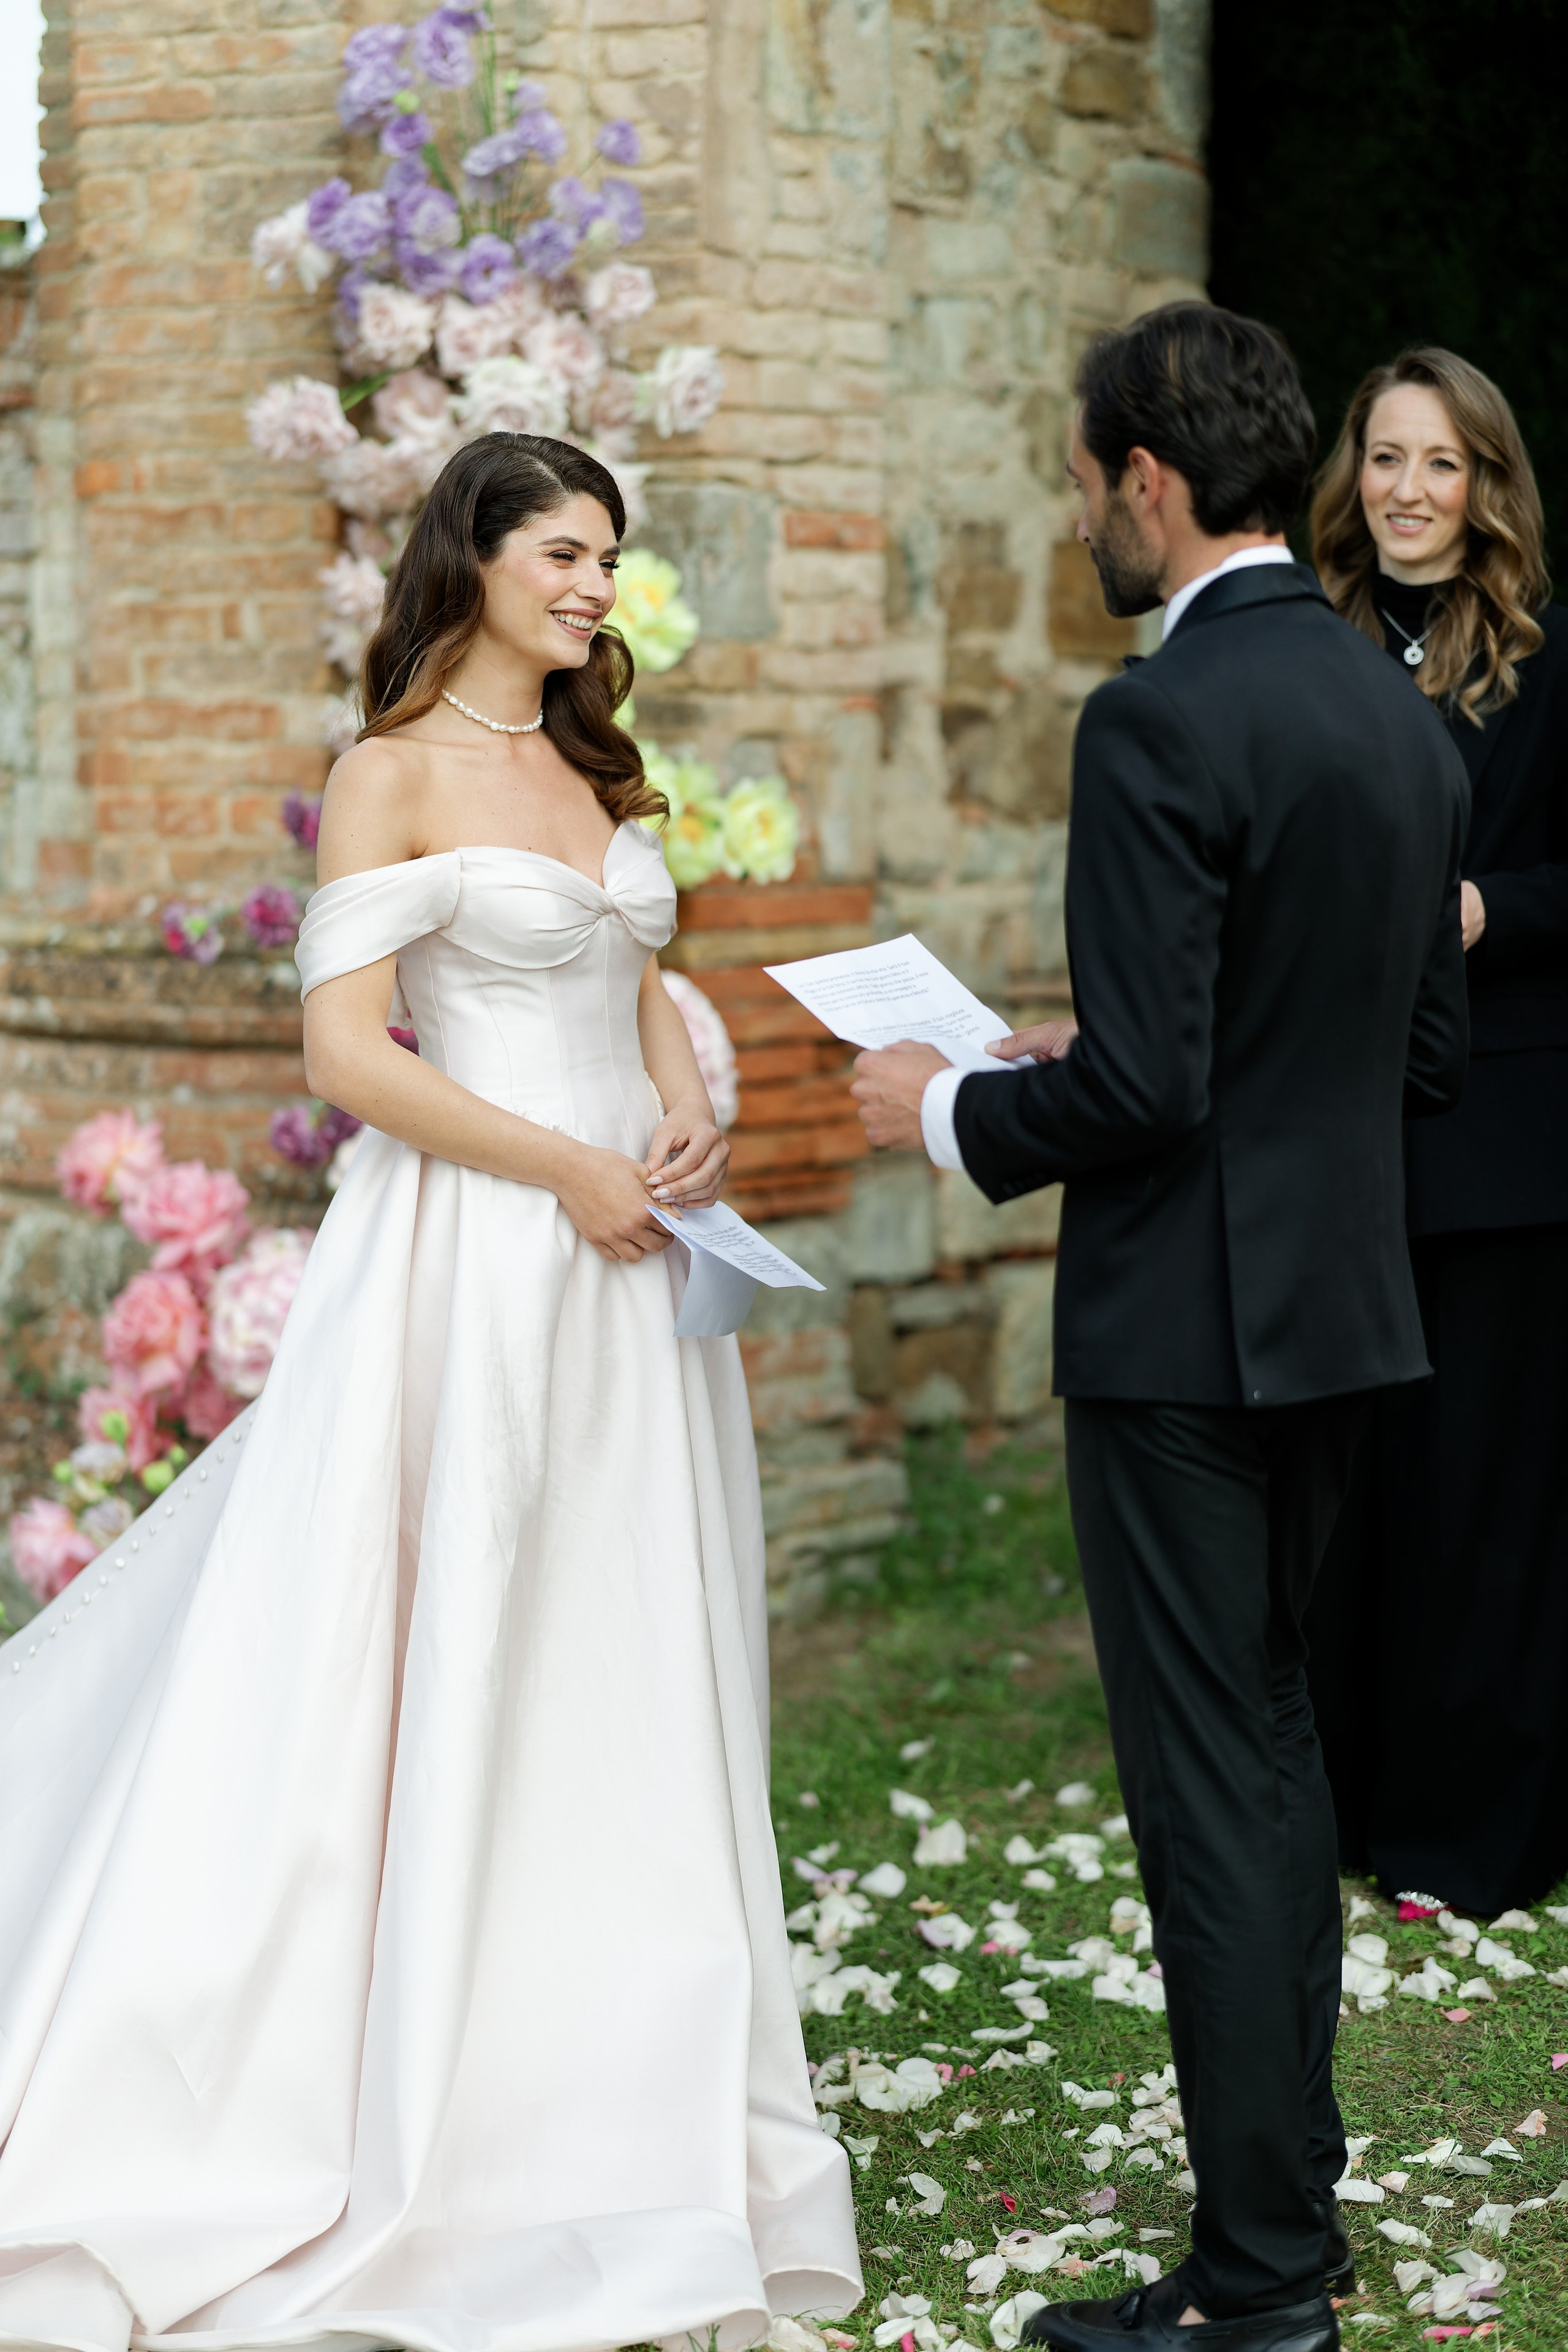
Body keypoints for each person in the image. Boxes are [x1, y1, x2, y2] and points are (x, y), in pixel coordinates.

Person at [0, 436, 861, 2349]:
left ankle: (616, 2029)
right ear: (471, 558)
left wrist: (684, 1112)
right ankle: (414, 2071)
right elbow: (349, 1056)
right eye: (565, 552)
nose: (594, 588)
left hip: (634, 1263)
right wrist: (558, 1167)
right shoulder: (386, 775)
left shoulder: (588, 765)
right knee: (449, 1612)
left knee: (619, 1628)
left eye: (609, 559)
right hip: (478, 1249)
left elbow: (638, 966)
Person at [851, 304, 1469, 2352]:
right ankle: (1296, 2222)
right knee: (1278, 1764)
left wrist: (942, 1103)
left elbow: (1147, 1097)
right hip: (1345, 1324)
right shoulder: (1394, 706)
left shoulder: (1157, 717)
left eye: (1080, 473)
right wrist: (1124, 1049)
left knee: (1214, 1791)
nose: (1080, 512)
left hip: (1182, 1341)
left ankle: (1265, 2281)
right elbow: (1423, 1050)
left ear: (1143, 475)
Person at [1302, 350, 1568, 1915]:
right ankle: (1338, 1801)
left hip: (1503, 1145)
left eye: (1442, 464)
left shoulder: (1550, 654)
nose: (1407, 490)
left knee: (1484, 1493)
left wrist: (1493, 909)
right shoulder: (1305, 642)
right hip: (1331, 1136)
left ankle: (1475, 1832)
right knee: (1350, 1487)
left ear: (1487, 489)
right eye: (1386, 457)